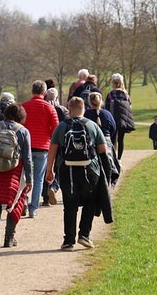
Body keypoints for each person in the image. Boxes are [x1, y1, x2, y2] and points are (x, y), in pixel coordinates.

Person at [45, 97, 109, 250]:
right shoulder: (92, 125)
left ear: (69, 108)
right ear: (83, 109)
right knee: (90, 202)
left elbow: (52, 149)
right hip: (90, 171)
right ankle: (84, 235)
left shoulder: (61, 127)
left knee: (70, 204)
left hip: (67, 170)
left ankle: (68, 241)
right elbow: (103, 150)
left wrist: (49, 170)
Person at [0, 104, 33, 251]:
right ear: (21, 116)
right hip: (14, 172)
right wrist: (29, 179)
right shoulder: (23, 131)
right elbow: (27, 158)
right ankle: (9, 237)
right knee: (15, 204)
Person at [22, 80, 59, 218]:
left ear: (32, 91)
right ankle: (33, 207)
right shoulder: (49, 108)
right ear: (44, 92)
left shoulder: (24, 107)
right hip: (43, 147)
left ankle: (23, 202)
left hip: (26, 147)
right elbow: (55, 130)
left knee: (25, 177)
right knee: (38, 179)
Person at [42, 88, 68, 206]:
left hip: (45, 142)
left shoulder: (44, 107)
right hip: (60, 143)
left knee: (46, 169)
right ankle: (54, 186)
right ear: (57, 98)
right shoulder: (63, 110)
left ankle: (46, 197)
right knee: (58, 169)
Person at [105, 73, 135, 159]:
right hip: (122, 120)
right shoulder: (126, 94)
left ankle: (112, 158)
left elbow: (106, 108)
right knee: (121, 140)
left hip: (112, 119)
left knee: (112, 139)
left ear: (113, 83)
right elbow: (130, 107)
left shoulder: (110, 94)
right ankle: (119, 159)